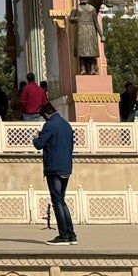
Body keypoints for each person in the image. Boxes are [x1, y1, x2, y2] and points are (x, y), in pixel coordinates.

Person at [33, 101, 77, 244]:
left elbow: (39, 144)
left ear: (46, 114)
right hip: (66, 167)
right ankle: (71, 235)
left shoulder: (50, 125)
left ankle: (63, 236)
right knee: (61, 201)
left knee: (57, 202)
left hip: (54, 168)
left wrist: (36, 137)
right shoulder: (66, 124)